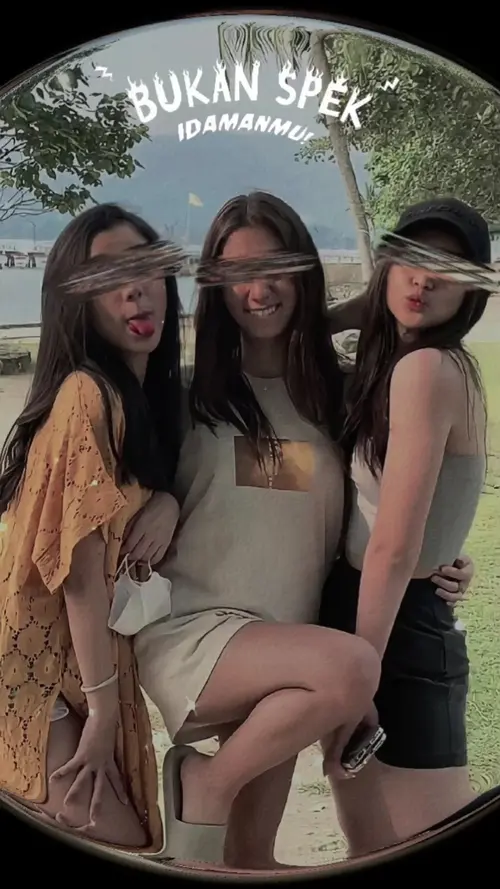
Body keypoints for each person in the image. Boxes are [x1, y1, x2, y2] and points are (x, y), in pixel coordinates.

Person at [130, 191, 476, 869]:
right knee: (356, 667)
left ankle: (204, 810)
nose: (257, 291)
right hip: (200, 633)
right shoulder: (185, 396)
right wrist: (164, 497)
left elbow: (383, 505)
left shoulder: (342, 395)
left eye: (277, 268)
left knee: (249, 858)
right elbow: (114, 496)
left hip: (289, 656)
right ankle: (206, 782)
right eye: (238, 274)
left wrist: (444, 556)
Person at [0, 204, 182, 851]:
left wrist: (169, 501)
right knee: (126, 842)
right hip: (31, 670)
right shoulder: (87, 395)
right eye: (107, 277)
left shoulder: (146, 399)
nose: (134, 288)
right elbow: (78, 575)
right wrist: (103, 712)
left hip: (73, 667)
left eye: (144, 267)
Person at [319, 196, 489, 856]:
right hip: (370, 619)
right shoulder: (397, 365)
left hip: (393, 631)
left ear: (472, 288)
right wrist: (372, 299)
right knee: (369, 844)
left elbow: (394, 546)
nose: (424, 279)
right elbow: (290, 337)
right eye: (411, 260)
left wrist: (360, 675)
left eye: (448, 268)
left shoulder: (428, 369)